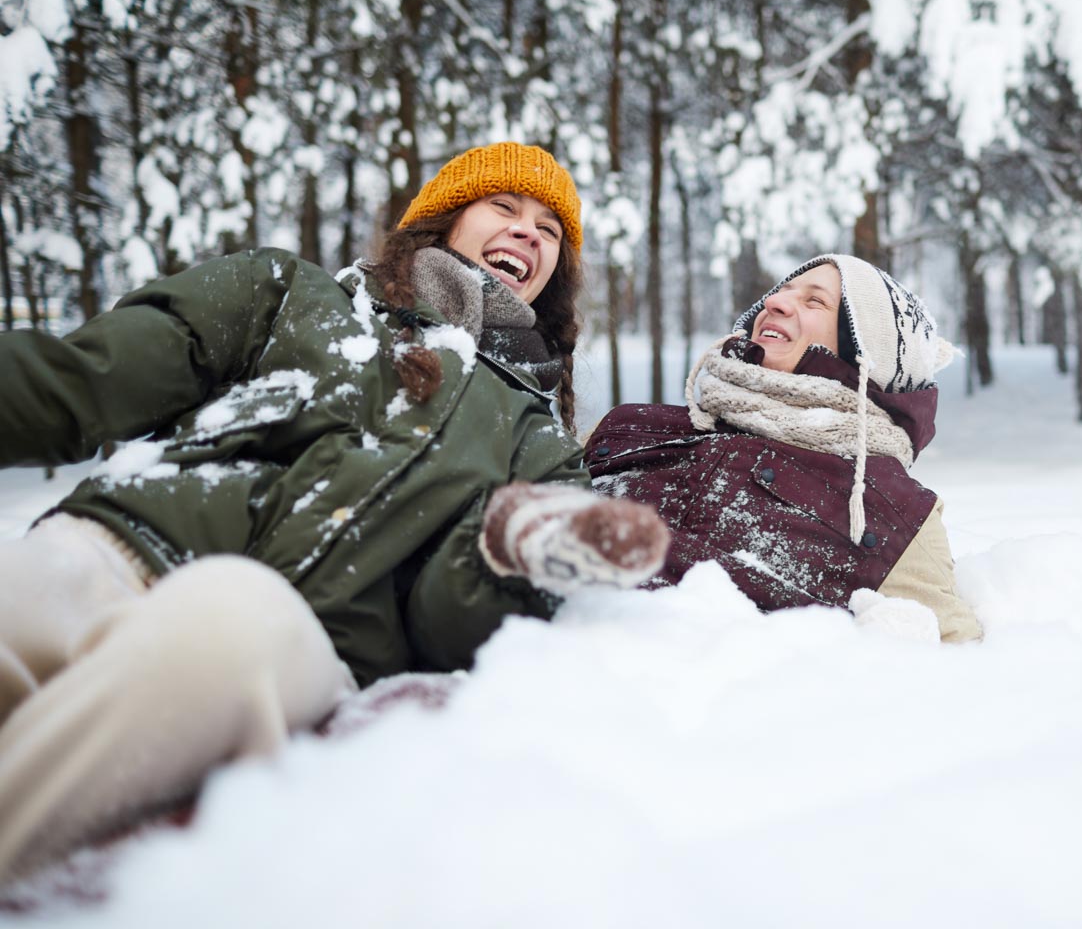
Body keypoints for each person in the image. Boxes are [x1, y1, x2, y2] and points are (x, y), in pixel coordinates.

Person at [0, 142, 667, 880]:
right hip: (111, 551)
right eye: (504, 207)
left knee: (228, 626)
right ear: (442, 220)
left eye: (550, 230)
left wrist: (508, 548)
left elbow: (445, 623)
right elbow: (85, 382)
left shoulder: (538, 442)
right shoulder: (287, 294)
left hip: (286, 640)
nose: (527, 233)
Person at [587, 253, 981, 643]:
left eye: (815, 301)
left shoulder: (896, 514)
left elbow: (957, 658)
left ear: (865, 352)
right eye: (781, 291)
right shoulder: (630, 424)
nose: (773, 301)